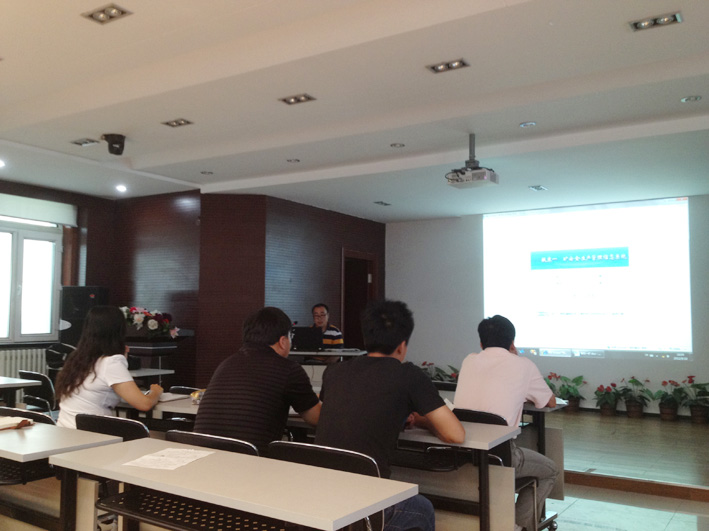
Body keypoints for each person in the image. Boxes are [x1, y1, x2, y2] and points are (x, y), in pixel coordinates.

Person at [315, 299, 465, 531]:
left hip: (321, 495)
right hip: (364, 505)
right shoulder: (409, 375)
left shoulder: (334, 371)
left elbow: (352, 412)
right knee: (423, 509)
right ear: (402, 346)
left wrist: (397, 414)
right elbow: (455, 435)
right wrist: (421, 420)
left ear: (366, 338)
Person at [454, 315, 558, 531]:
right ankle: (519, 526)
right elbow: (549, 401)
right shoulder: (523, 365)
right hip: (502, 455)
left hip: (465, 452)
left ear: (481, 343)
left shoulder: (469, 360)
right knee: (550, 470)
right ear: (512, 342)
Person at [194, 306, 321, 454]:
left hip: (202, 458)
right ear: (283, 341)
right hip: (249, 461)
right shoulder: (288, 369)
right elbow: (317, 418)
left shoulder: (227, 363)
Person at [56, 306, 163, 429]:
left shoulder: (77, 358)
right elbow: (144, 404)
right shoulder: (111, 362)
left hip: (64, 431)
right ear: (119, 330)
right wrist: (155, 392)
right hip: (91, 435)